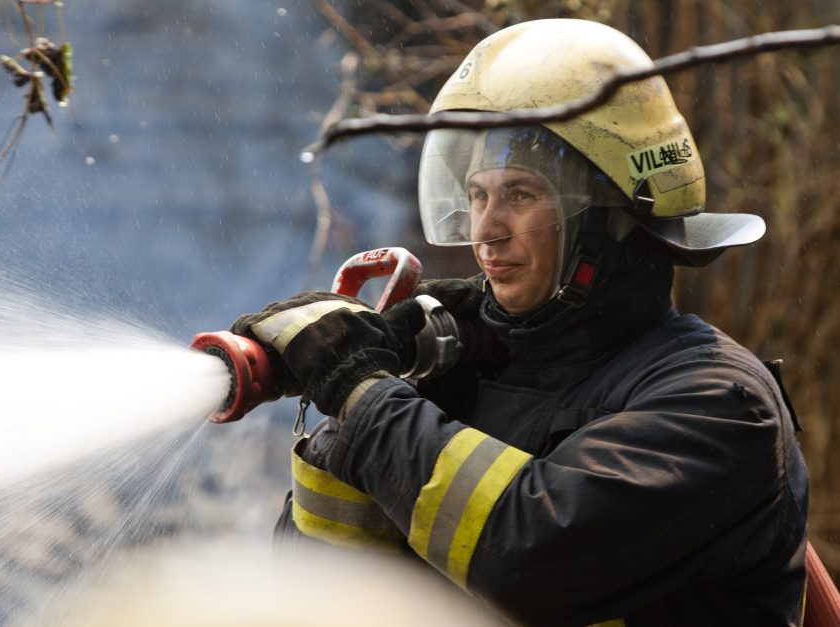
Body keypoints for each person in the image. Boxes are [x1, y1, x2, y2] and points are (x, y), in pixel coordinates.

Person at [230, 19, 809, 626]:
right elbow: (316, 593)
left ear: (610, 222)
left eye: (522, 195)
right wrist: (360, 409)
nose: (486, 229)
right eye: (478, 196)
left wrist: (365, 396)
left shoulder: (718, 404)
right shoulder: (470, 381)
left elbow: (527, 554)